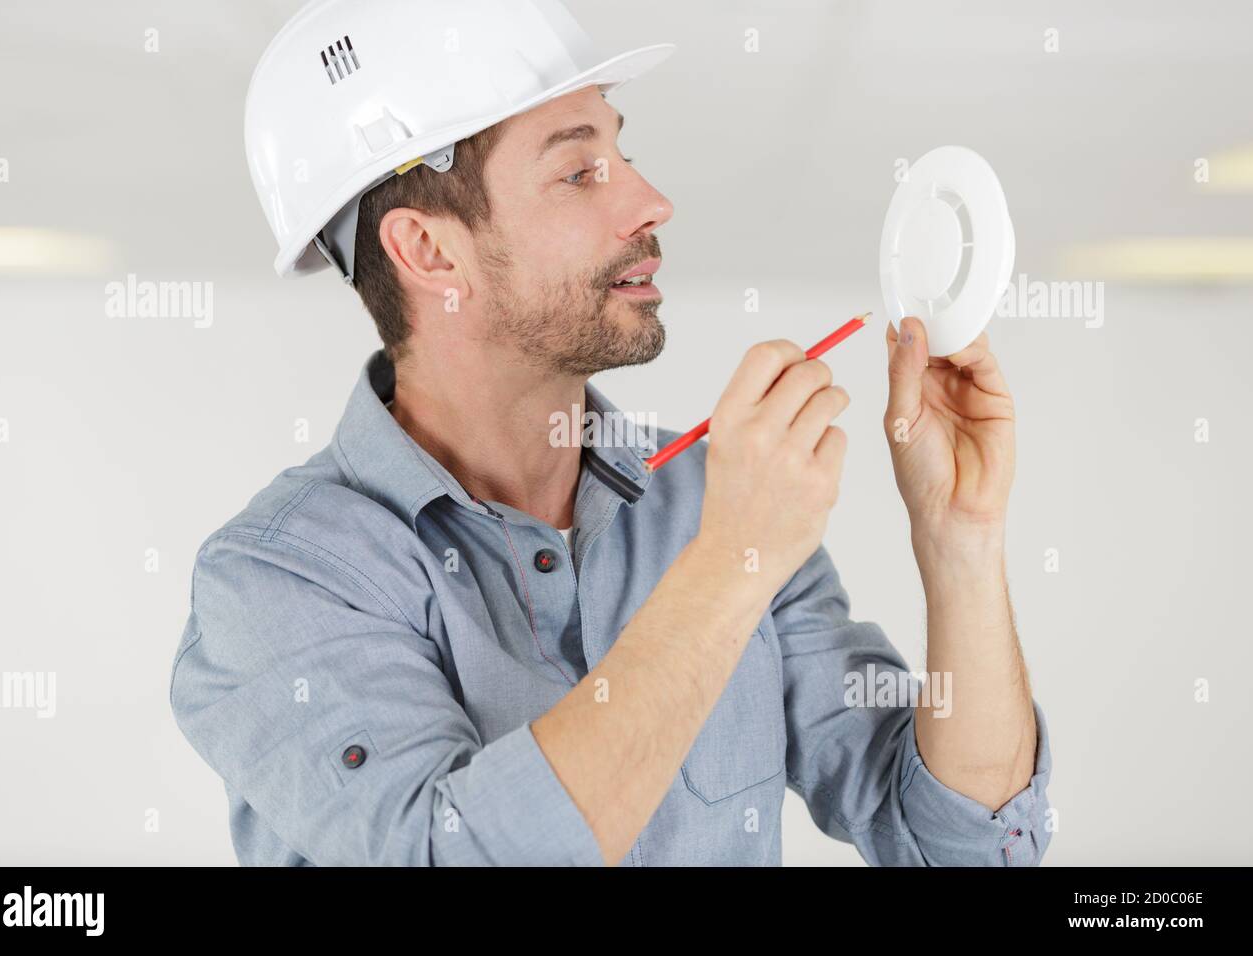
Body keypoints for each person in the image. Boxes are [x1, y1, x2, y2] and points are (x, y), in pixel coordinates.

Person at [170, 0, 1051, 866]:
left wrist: (959, 540)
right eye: (579, 172)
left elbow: (963, 845)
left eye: (622, 153)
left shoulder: (711, 496)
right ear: (431, 253)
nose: (652, 201)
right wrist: (728, 565)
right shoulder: (276, 579)